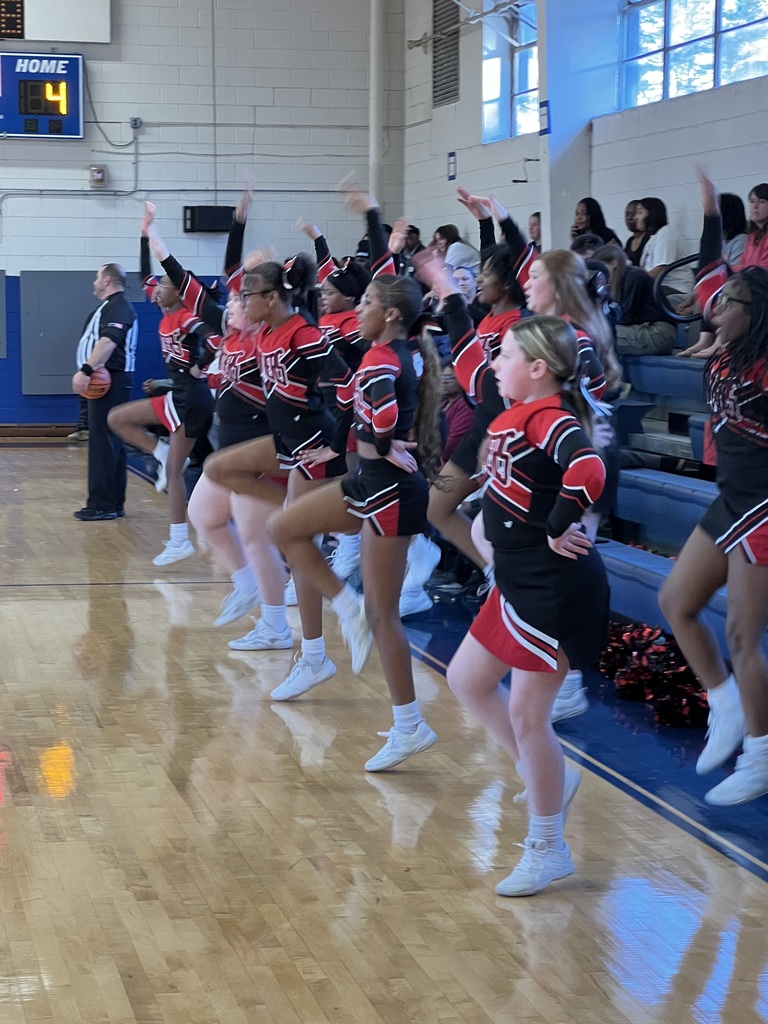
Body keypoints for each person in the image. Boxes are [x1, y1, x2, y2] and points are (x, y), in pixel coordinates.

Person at [438, 304, 608, 895]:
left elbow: (588, 471)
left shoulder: (551, 419)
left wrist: (561, 524)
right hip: (518, 581)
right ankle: (549, 781)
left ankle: (547, 846)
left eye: (507, 356)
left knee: (528, 714)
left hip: (553, 588)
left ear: (538, 368)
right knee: (466, 680)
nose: (497, 362)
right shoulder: (517, 414)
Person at [267, 270, 444, 772]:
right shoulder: (393, 354)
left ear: (390, 314)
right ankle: (344, 604)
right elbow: (367, 412)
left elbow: (383, 418)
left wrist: (384, 445)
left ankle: (410, 726)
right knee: (284, 528)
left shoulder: (381, 359)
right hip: (369, 482)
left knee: (383, 617)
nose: (357, 309)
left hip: (387, 490)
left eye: (365, 301)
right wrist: (361, 441)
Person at [659, 169, 768, 806]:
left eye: (728, 302)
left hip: (762, 507)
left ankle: (761, 753)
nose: (715, 306)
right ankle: (725, 706)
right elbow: (707, 264)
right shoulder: (721, 351)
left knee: (743, 637)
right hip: (731, 497)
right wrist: (709, 211)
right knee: (678, 603)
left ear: (754, 315)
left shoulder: (761, 364)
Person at [107, 206, 214, 565]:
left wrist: (201, 365)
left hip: (191, 398)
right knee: (118, 419)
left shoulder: (186, 316)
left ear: (181, 292)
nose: (156, 290)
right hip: (177, 396)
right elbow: (144, 277)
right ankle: (161, 449)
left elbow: (214, 339)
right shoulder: (166, 311)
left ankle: (180, 538)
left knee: (173, 474)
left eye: (165, 286)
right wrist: (144, 233)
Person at [71, 263, 138, 521]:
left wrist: (87, 370)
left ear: (108, 280)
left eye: (97, 277)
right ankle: (112, 502)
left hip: (110, 382)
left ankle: (102, 504)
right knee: (110, 443)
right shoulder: (108, 306)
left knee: (104, 443)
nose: (94, 282)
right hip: (106, 381)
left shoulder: (118, 306)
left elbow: (109, 341)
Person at [595, 243, 676, 356]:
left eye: (602, 267)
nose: (600, 273)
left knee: (594, 334)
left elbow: (625, 317)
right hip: (641, 329)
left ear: (613, 263)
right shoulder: (617, 282)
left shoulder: (634, 277)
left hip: (657, 333)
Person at [636, 197, 694, 300]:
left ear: (651, 214)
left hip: (675, 289)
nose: (636, 217)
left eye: (640, 212)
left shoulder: (665, 234)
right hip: (660, 287)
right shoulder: (652, 238)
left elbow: (659, 270)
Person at [623, 199, 649, 268]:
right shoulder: (629, 241)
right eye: (627, 214)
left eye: (634, 213)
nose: (629, 218)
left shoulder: (649, 238)